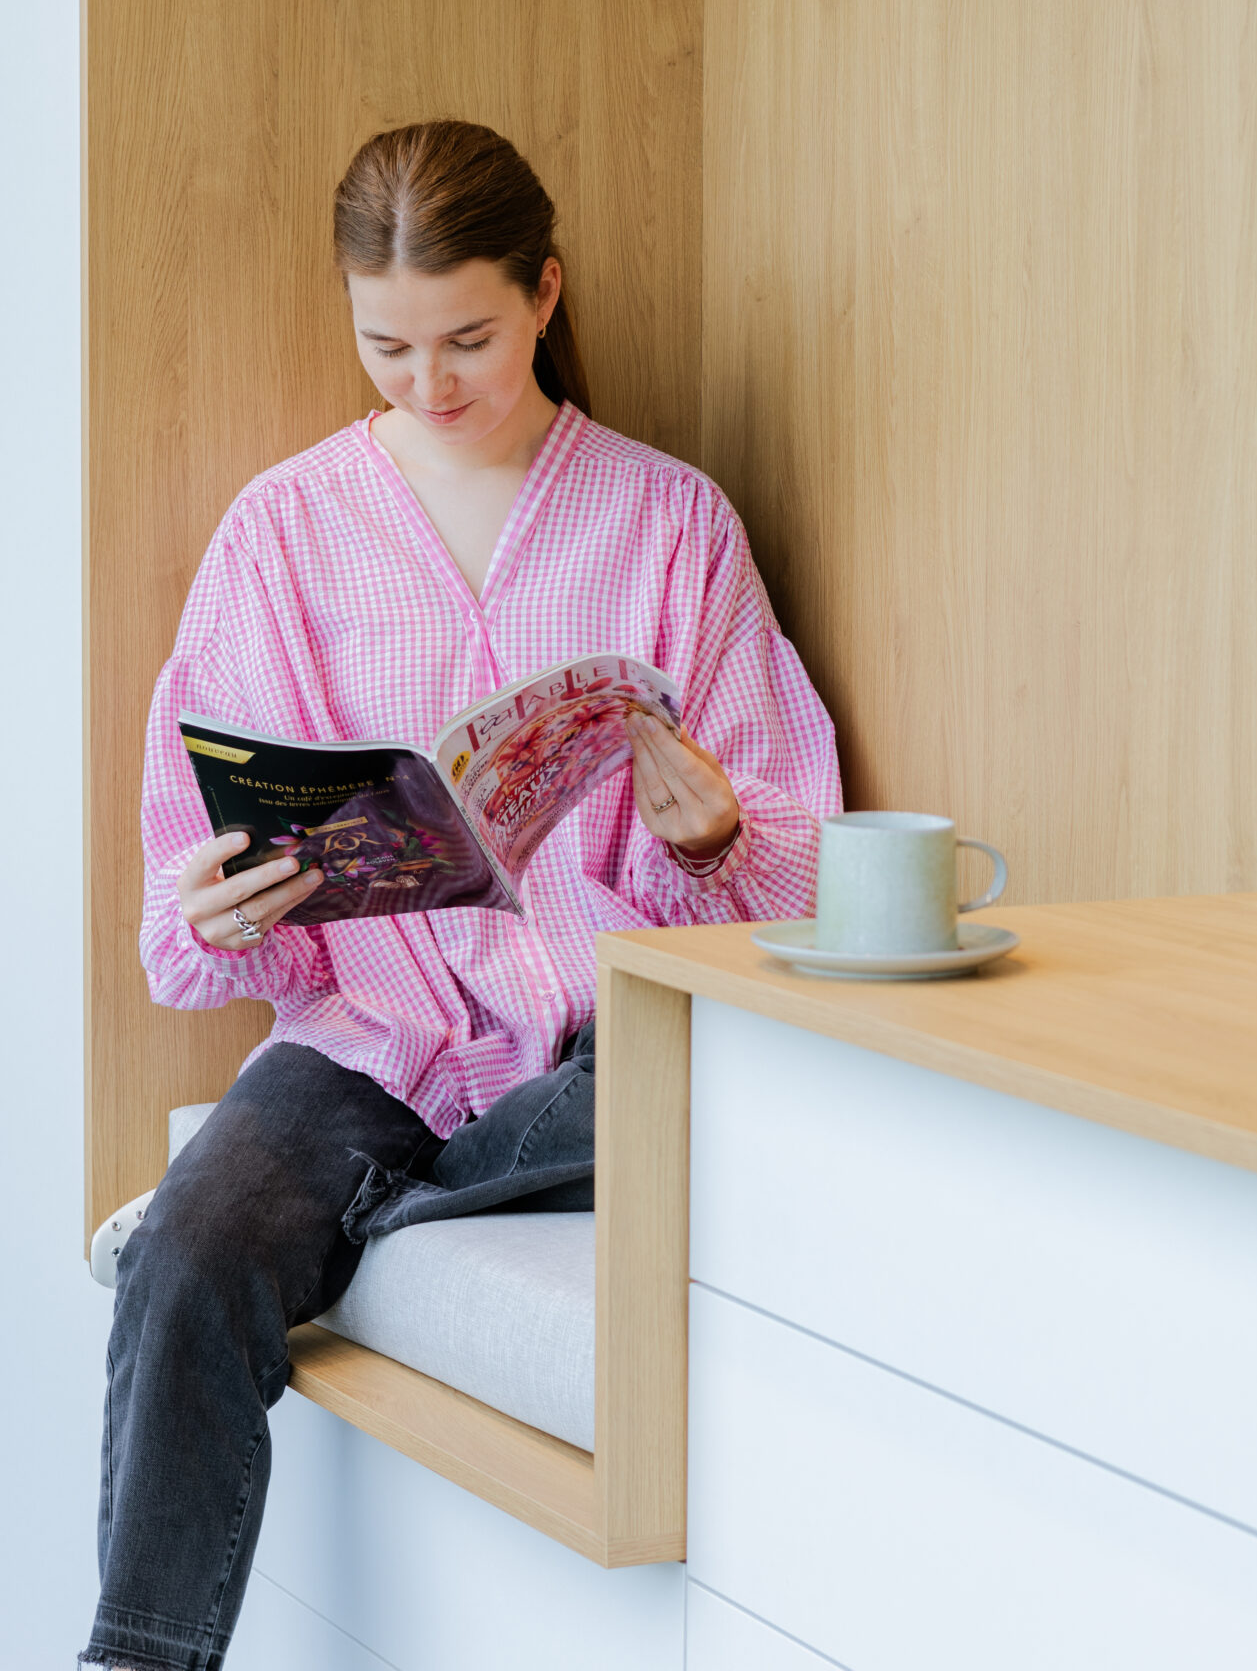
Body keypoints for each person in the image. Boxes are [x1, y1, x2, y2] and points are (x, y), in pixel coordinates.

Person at [82, 119, 841, 1671]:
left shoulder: (670, 523)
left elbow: (802, 861)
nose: (430, 383)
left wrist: (710, 837)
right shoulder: (281, 533)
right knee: (188, 1253)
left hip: (594, 1055)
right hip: (373, 1036)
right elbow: (183, 888)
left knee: (686, 1096)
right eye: (387, 346)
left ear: (546, 293)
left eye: (469, 339)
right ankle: (135, 1658)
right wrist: (222, 906)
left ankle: (394, 1199)